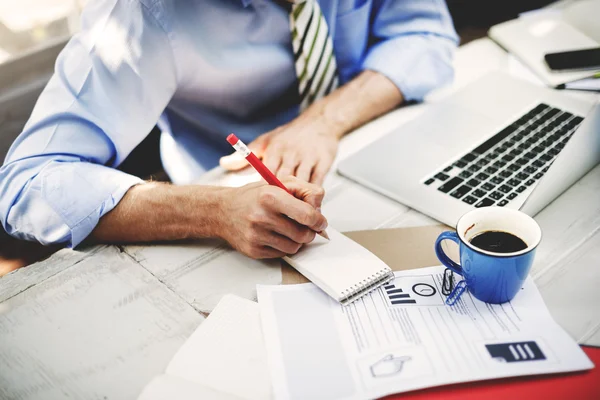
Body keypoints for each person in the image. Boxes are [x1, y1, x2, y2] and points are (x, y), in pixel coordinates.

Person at [0, 0, 458, 259]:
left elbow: (427, 36)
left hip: (376, 148)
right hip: (232, 227)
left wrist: (323, 121)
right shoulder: (139, 15)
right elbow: (27, 183)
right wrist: (213, 211)